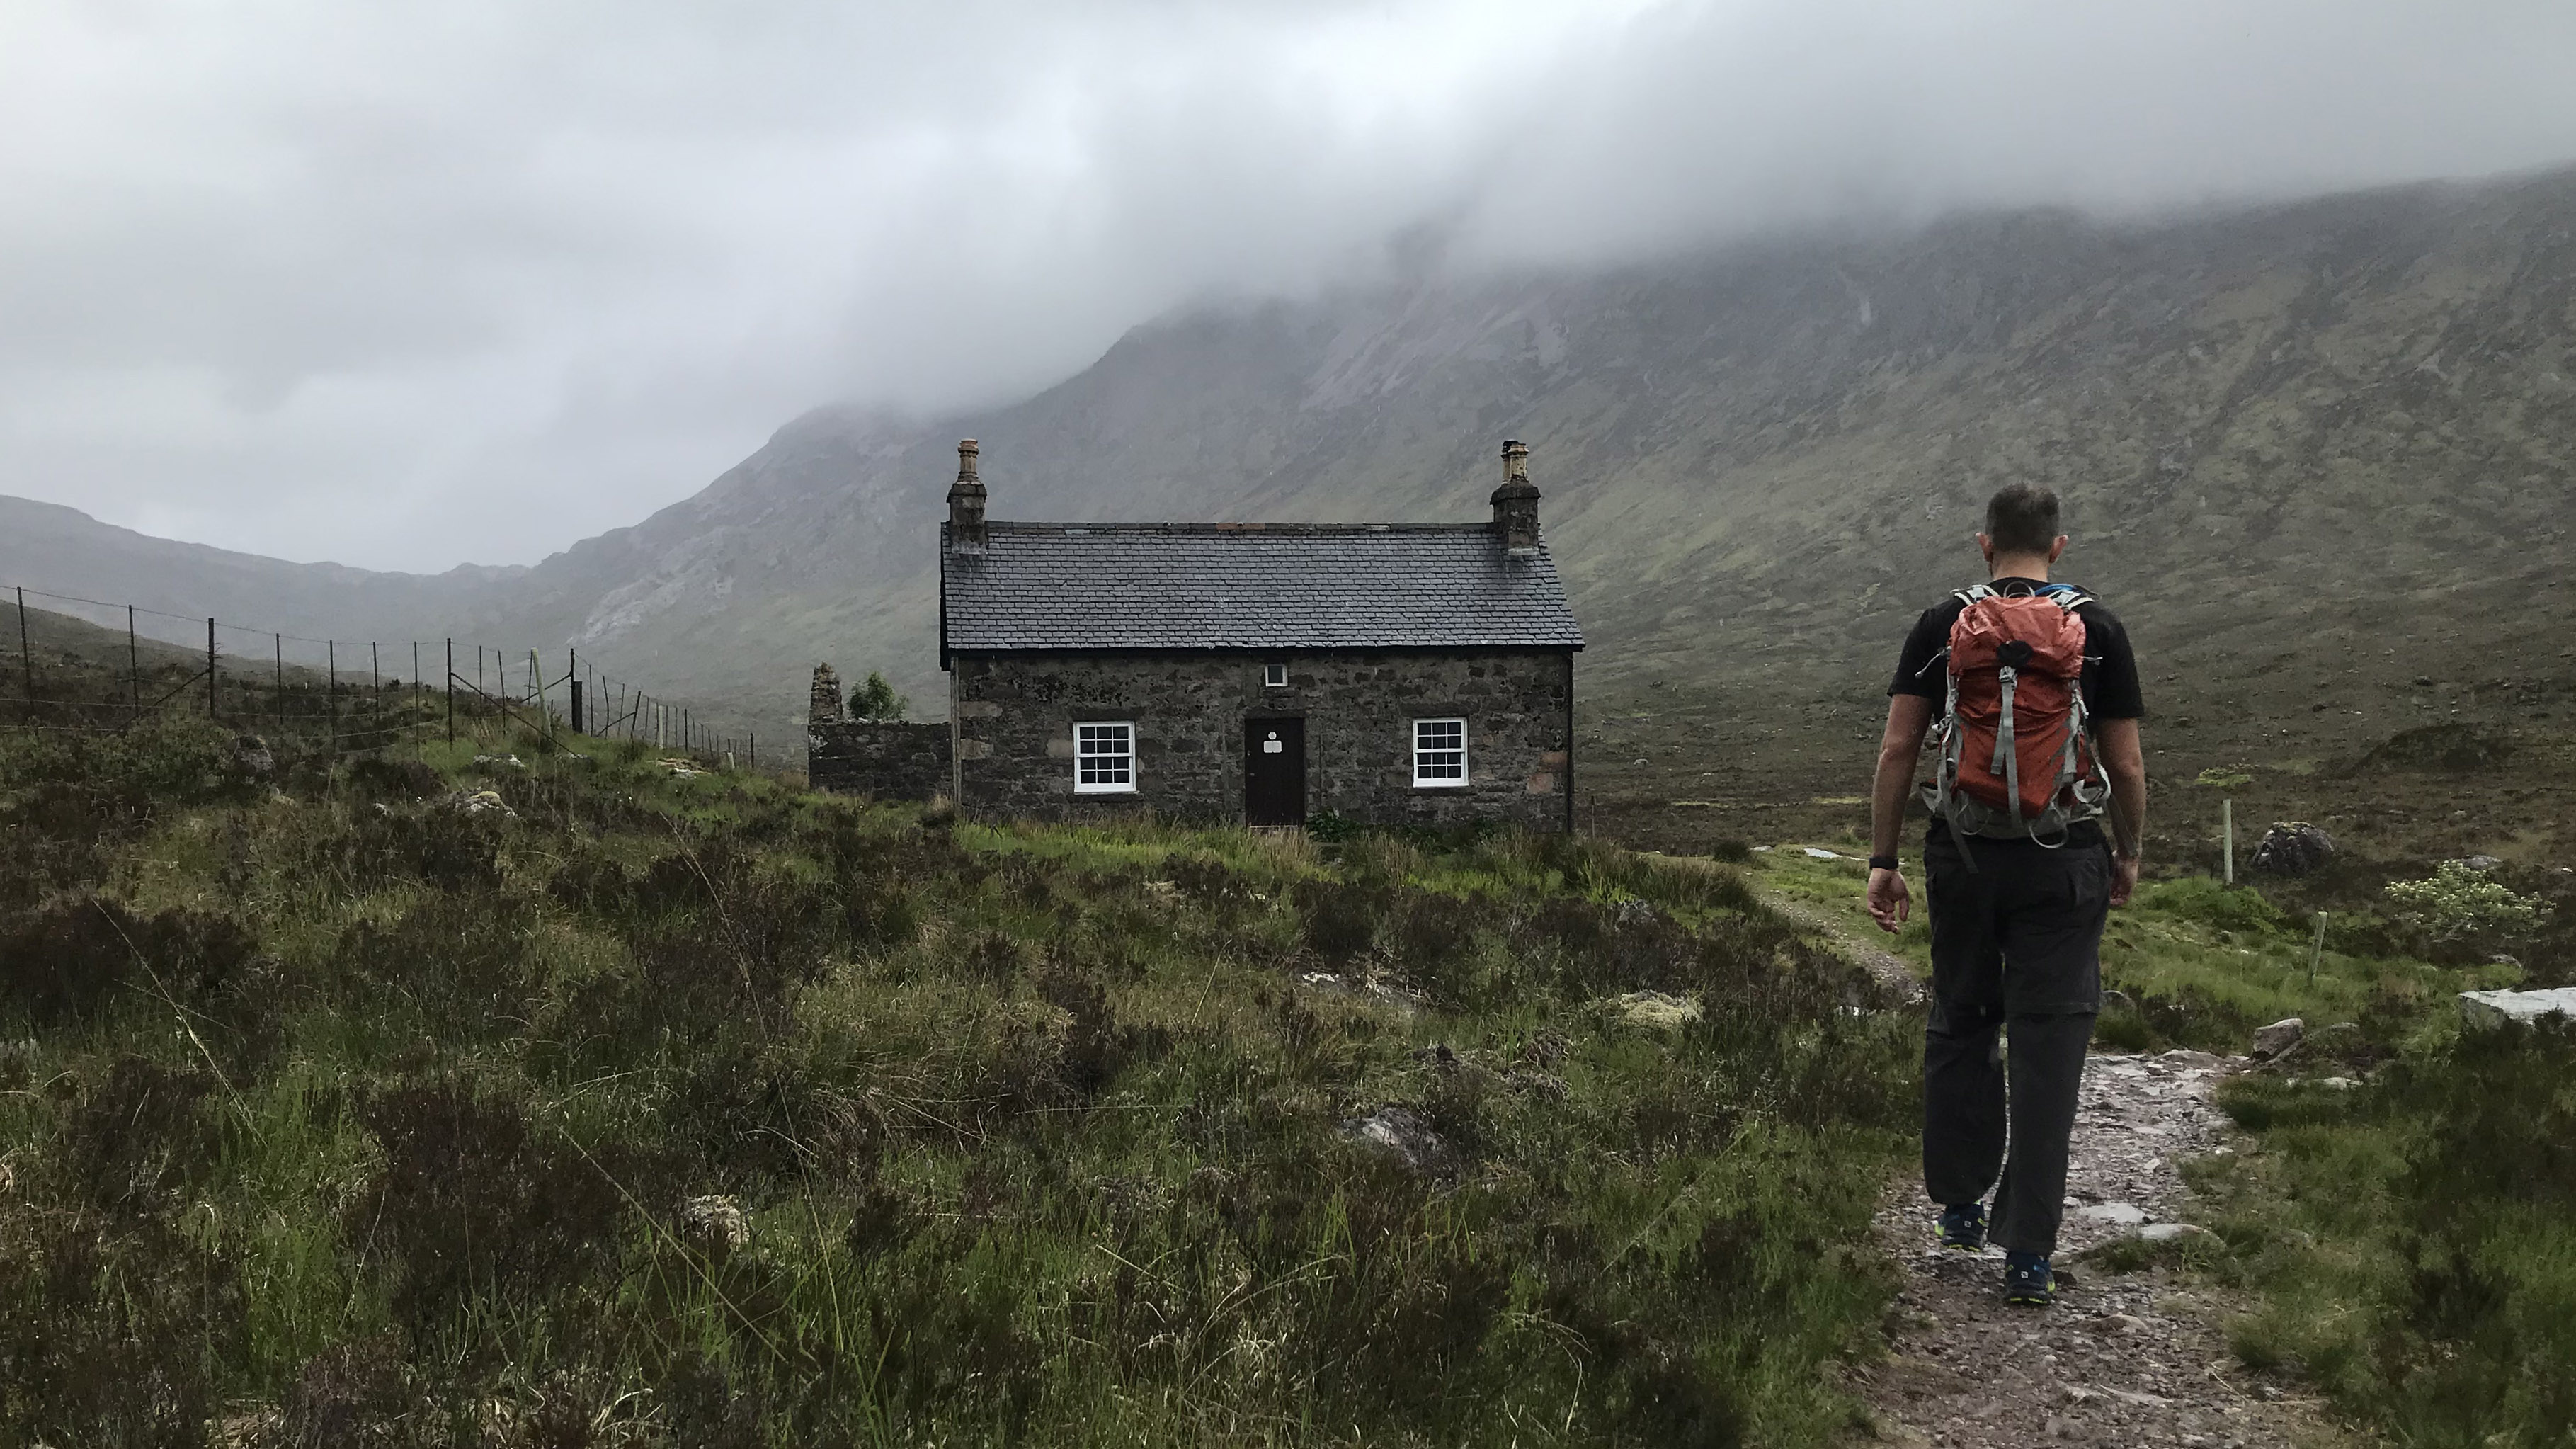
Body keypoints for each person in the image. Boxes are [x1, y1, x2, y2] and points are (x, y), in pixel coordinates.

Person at [1863, 484, 2147, 1307]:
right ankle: (2027, 1251)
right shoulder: (2096, 628)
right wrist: (2127, 853)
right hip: (2062, 863)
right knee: (2048, 1045)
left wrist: (1884, 859)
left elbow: (1895, 751)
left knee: (1960, 1018)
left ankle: (1957, 1204)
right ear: (2057, 547)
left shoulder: (1939, 624)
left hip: (1963, 856)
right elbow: (2123, 766)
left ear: (1983, 545)